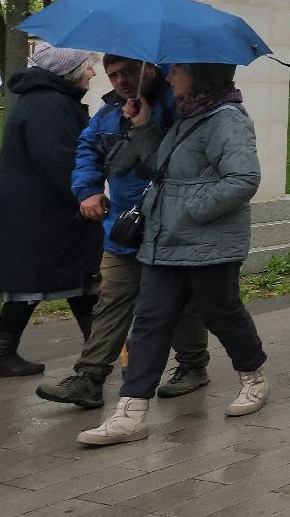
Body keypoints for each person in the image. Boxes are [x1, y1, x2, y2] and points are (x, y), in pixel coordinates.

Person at [78, 63, 270, 447]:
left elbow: (243, 179)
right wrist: (145, 126)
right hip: (164, 241)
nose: (168, 76)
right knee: (150, 322)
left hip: (208, 244)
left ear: (200, 75)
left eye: (177, 70)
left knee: (221, 312)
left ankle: (253, 377)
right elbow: (159, 168)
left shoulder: (227, 119)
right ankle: (130, 414)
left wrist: (188, 211)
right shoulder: (187, 117)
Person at [36, 57, 210, 410]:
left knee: (176, 302)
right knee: (112, 300)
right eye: (113, 75)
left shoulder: (179, 105)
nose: (120, 81)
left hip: (169, 225)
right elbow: (88, 147)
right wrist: (87, 188)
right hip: (124, 227)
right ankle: (89, 378)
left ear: (149, 68)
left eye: (128, 72)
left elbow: (183, 160)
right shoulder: (109, 112)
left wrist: (146, 125)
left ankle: (193, 365)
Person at [0, 44, 103, 380]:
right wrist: (89, 195)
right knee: (67, 284)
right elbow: (59, 161)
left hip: (37, 214)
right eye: (88, 67)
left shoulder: (45, 99)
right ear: (71, 70)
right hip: (44, 215)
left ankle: (2, 354)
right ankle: (105, 353)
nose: (93, 73)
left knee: (70, 285)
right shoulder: (50, 104)